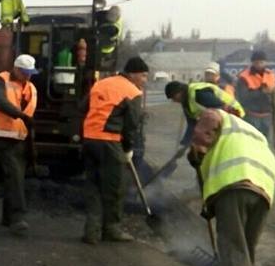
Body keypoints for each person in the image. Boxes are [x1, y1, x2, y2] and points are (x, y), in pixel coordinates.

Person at [188, 109, 275, 266]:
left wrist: (198, 147)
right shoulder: (252, 132)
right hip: (264, 188)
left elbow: (208, 122)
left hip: (234, 184)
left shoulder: (215, 115)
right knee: (246, 243)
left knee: (232, 242)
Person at [81, 57, 149, 243]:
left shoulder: (101, 84)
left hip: (89, 140)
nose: (145, 80)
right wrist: (128, 148)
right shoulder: (133, 92)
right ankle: (112, 229)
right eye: (143, 76)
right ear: (133, 74)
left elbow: (83, 107)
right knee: (115, 188)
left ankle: (91, 232)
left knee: (93, 186)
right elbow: (132, 124)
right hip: (110, 143)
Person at [0, 53, 39, 235]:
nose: (28, 76)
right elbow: (1, 102)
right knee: (15, 175)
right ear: (16, 69)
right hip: (2, 137)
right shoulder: (2, 80)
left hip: (20, 139)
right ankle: (18, 218)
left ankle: (7, 218)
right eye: (24, 72)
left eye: (30, 73)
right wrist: (21, 115)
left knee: (15, 177)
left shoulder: (31, 88)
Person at [165, 79, 244, 146]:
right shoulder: (186, 102)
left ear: (180, 92)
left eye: (174, 97)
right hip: (222, 120)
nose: (174, 101)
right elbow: (192, 124)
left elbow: (222, 110)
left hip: (235, 115)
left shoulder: (199, 93)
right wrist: (185, 143)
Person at [235, 50, 275, 142]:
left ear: (266, 62)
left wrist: (274, 113)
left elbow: (274, 95)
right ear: (252, 63)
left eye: (261, 62)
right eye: (257, 62)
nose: (259, 64)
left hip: (267, 114)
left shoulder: (271, 74)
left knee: (265, 142)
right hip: (252, 115)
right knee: (252, 141)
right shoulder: (244, 77)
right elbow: (243, 97)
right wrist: (261, 91)